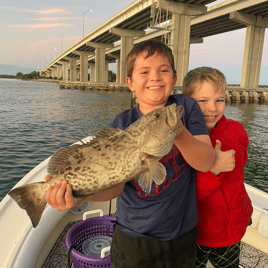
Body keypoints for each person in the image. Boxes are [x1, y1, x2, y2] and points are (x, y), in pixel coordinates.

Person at [44, 40, 215, 268]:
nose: (155, 77)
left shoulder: (186, 107)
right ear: (130, 83)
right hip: (132, 237)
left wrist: (180, 134)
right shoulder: (121, 124)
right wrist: (81, 196)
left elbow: (206, 161)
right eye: (144, 72)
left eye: (163, 70)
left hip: (182, 234)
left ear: (174, 78)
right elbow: (116, 187)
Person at [182, 66, 253, 268]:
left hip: (233, 228)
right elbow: (189, 193)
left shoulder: (237, 130)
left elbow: (243, 160)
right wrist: (213, 168)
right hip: (198, 234)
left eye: (219, 100)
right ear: (187, 103)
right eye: (202, 101)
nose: (212, 108)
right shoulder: (185, 140)